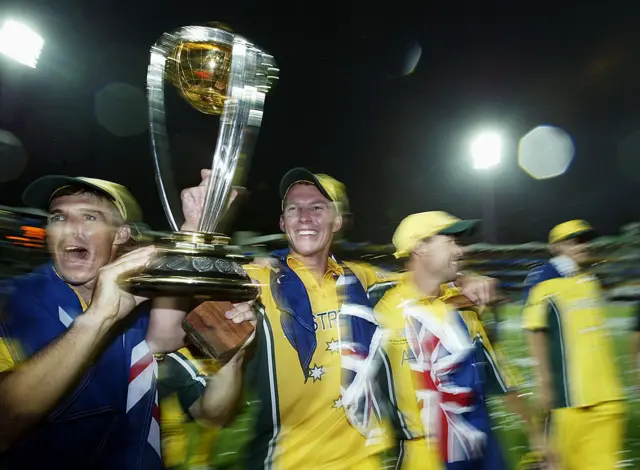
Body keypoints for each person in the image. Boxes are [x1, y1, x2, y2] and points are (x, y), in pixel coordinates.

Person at [152, 168, 498, 470]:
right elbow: (168, 342)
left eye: (317, 207)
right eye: (294, 209)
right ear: (282, 223)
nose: (304, 217)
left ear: (337, 221)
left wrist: (465, 278)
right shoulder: (253, 283)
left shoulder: (366, 282)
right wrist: (192, 230)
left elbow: (424, 281)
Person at [344, 211, 543, 470]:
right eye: (450, 241)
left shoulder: (462, 304)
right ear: (420, 247)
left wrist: (538, 437)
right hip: (425, 456)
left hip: (484, 449)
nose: (460, 251)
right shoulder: (381, 307)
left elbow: (499, 376)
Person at [0, 176, 160, 469]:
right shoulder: (9, 303)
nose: (71, 228)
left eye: (89, 216)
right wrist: (96, 320)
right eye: (58, 217)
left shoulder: (145, 303)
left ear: (121, 235)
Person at [522, 219, 625, 470]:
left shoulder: (590, 282)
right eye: (573, 241)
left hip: (608, 397)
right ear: (555, 247)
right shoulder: (542, 280)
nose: (581, 246)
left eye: (584, 240)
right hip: (568, 399)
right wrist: (544, 383)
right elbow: (534, 331)